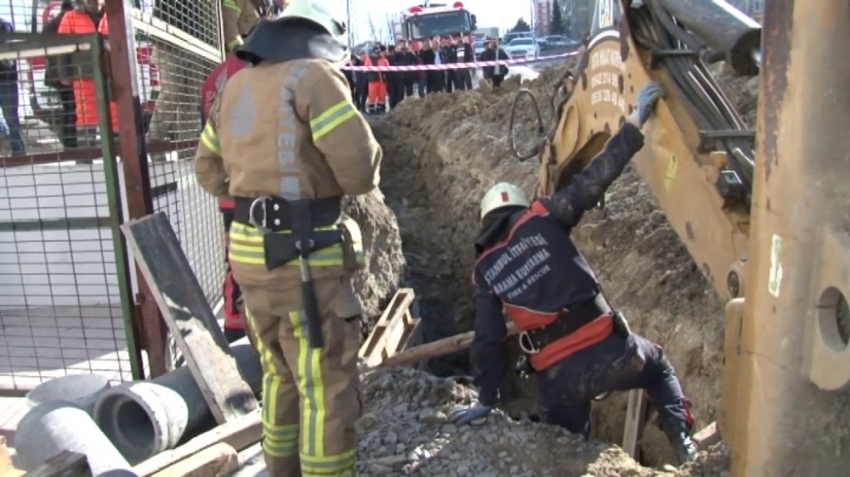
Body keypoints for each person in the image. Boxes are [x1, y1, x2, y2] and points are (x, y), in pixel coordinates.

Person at [447, 82, 699, 465]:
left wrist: (486, 401)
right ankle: (684, 444)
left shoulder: (486, 271)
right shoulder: (545, 216)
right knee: (659, 367)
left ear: (485, 224)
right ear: (519, 206)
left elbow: (487, 340)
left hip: (559, 379)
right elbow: (595, 178)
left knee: (567, 446)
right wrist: (633, 123)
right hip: (614, 352)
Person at [193, 0, 382, 473]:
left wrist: (254, 191)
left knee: (279, 374)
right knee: (324, 386)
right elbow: (359, 172)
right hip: (305, 260)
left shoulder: (235, 86)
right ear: (322, 41)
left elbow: (207, 170)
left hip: (249, 258)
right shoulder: (316, 78)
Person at [57, 0, 118, 150]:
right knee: (86, 115)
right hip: (83, 74)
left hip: (114, 74)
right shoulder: (70, 17)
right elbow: (61, 48)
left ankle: (120, 152)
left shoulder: (115, 14)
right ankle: (86, 155)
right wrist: (64, 73)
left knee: (116, 114)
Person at [43, 0, 77, 150]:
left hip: (54, 74)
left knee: (68, 107)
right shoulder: (70, 21)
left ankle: (68, 140)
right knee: (74, 108)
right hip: (69, 72)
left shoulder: (50, 25)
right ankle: (71, 141)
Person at [0, 16, 24, 156]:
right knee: (11, 118)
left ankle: (18, 150)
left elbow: (7, 50)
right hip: (7, 79)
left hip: (6, 79)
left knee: (11, 118)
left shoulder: (4, 26)